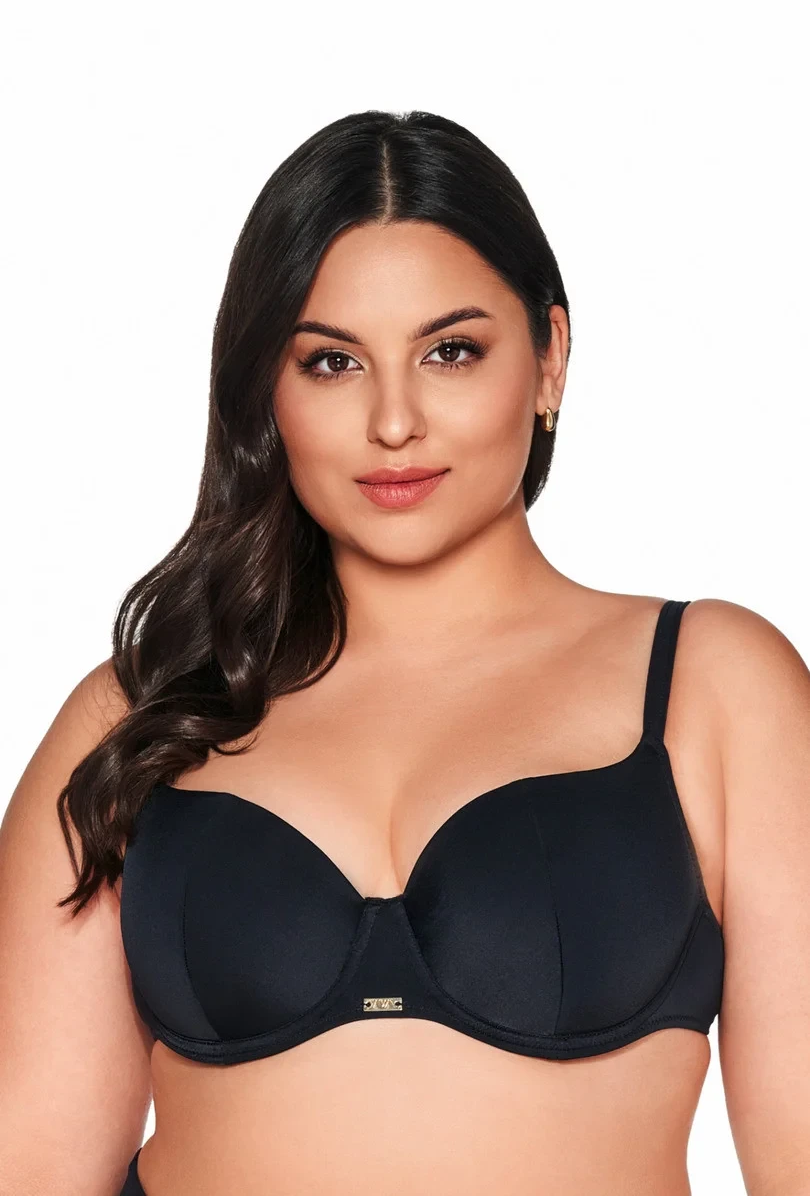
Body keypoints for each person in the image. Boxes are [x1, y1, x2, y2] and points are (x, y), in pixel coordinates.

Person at [1, 109, 808, 1196]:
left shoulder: (712, 686)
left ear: (550, 358)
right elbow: (33, 1163)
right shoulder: (143, 711)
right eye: (332, 362)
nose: (393, 421)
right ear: (268, 390)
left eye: (450, 351)